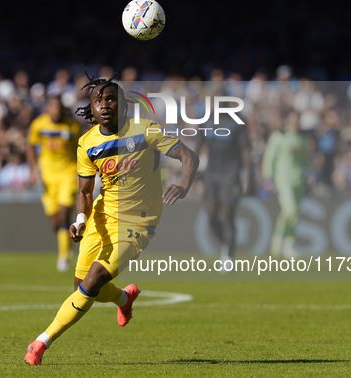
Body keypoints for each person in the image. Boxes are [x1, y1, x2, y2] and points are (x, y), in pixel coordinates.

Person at [25, 73, 199, 366]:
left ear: (123, 106)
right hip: (102, 218)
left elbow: (189, 156)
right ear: (91, 109)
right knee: (82, 282)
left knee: (92, 281)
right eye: (98, 100)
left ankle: (42, 341)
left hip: (138, 222)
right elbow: (84, 190)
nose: (104, 104)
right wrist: (81, 219)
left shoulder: (145, 131)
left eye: (111, 99)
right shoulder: (86, 144)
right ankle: (123, 299)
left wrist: (182, 185)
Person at [26, 96, 82, 272]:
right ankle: (67, 245)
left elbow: (81, 148)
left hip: (68, 174)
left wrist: (80, 173)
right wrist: (34, 170)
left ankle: (63, 257)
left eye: (58, 107)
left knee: (64, 214)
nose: (56, 110)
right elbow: (30, 145)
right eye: (52, 107)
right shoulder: (39, 125)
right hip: (48, 178)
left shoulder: (72, 126)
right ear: (48, 109)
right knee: (55, 222)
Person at [197, 114, 251, 265]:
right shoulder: (205, 121)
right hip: (211, 173)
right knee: (211, 215)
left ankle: (229, 255)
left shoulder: (236, 122)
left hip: (231, 172)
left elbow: (245, 149)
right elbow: (198, 144)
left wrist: (247, 177)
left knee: (228, 214)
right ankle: (226, 243)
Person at [262, 111, 312, 257]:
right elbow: (269, 158)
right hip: (282, 179)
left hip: (298, 180)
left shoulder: (303, 140)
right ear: (287, 121)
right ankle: (278, 238)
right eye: (293, 119)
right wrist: (268, 177)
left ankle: (288, 245)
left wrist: (310, 172)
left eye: (298, 120)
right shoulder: (278, 138)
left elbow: (305, 160)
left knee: (294, 214)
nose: (296, 122)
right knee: (290, 210)